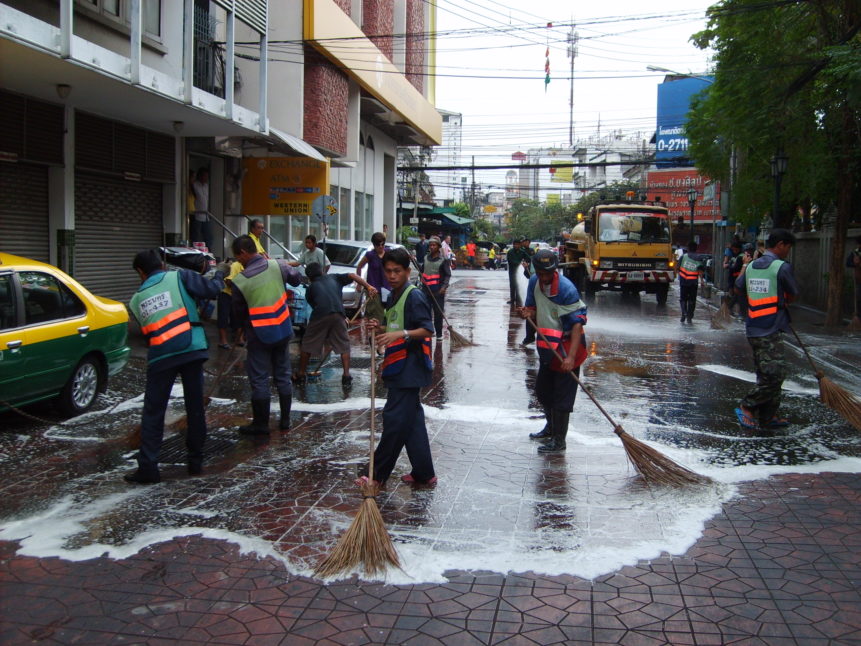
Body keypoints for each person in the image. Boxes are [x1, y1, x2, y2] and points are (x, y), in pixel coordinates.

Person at [125, 248, 227, 483]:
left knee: (153, 412)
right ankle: (195, 462)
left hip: (161, 357)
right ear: (162, 264)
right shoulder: (179, 277)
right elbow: (212, 290)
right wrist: (220, 273)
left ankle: (148, 468)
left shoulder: (136, 299)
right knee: (194, 408)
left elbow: (145, 333)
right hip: (191, 349)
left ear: (140, 272)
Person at [356, 247, 436, 487]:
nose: (392, 275)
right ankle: (424, 473)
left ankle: (376, 475)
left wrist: (400, 334)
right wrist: (379, 328)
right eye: (388, 271)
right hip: (398, 366)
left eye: (397, 271)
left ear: (407, 271)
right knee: (412, 423)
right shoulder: (393, 295)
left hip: (410, 369)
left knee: (394, 422)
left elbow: (427, 329)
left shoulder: (414, 296)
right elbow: (395, 325)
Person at [230, 235, 302, 435]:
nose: (238, 262)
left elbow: (238, 312)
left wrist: (242, 329)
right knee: (283, 375)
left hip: (259, 335)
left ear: (244, 253)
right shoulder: (277, 265)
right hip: (282, 329)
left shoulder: (240, 281)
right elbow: (296, 278)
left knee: (260, 378)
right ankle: (285, 421)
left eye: (238, 258)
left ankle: (261, 425)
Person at [517, 249, 588, 453]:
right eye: (540, 273)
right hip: (548, 347)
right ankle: (550, 428)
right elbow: (533, 309)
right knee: (543, 391)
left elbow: (576, 325)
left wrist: (571, 358)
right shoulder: (533, 282)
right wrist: (526, 313)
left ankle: (559, 440)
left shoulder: (567, 289)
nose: (544, 278)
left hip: (568, 347)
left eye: (547, 274)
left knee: (562, 397)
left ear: (555, 271)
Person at [734, 229, 799, 431]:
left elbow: (738, 287)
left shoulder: (752, 266)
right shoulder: (781, 267)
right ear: (780, 245)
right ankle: (747, 405)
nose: (788, 251)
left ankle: (768, 416)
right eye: (788, 247)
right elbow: (794, 294)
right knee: (775, 375)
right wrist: (781, 302)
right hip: (771, 327)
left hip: (754, 325)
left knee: (766, 374)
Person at [295, 262, 376, 385]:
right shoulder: (334, 277)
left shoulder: (311, 287)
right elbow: (353, 275)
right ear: (323, 271)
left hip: (321, 314)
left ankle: (301, 374)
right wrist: (368, 286)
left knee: (308, 344)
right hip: (339, 314)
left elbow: (314, 305)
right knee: (344, 344)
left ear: (309, 278)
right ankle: (346, 375)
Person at [420, 236, 452, 339]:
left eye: (434, 245)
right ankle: (428, 331)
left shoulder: (443, 260)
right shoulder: (425, 258)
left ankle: (439, 334)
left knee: (438, 313)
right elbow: (422, 271)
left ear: (438, 247)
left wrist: (444, 287)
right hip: (426, 290)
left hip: (438, 291)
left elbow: (447, 275)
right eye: (430, 245)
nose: (432, 247)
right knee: (425, 312)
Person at [675, 241, 706, 323]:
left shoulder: (683, 257)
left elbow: (677, 268)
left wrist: (680, 275)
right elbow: (700, 271)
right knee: (692, 300)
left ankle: (684, 313)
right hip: (693, 282)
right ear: (696, 249)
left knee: (683, 299)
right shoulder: (699, 258)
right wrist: (702, 281)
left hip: (684, 281)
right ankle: (689, 317)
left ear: (688, 248)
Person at [217, 258, 244, 349]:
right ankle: (222, 341)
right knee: (223, 317)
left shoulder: (248, 266)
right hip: (226, 293)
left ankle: (239, 339)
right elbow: (228, 282)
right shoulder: (236, 265)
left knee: (239, 317)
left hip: (238, 294)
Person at [355, 231, 390, 299]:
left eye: (382, 244)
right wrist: (359, 283)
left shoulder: (389, 253)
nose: (381, 246)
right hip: (373, 289)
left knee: (387, 309)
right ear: (374, 245)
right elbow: (359, 267)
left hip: (387, 289)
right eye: (378, 245)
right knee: (374, 309)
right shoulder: (370, 255)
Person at [190, 168, 213, 252]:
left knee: (209, 237)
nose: (205, 178)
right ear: (200, 176)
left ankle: (209, 254)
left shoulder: (207, 186)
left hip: (206, 215)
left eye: (207, 176)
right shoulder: (195, 185)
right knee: (196, 237)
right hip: (197, 214)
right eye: (204, 176)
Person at [520, 238, 537, 345]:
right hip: (535, 291)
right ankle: (530, 337)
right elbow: (527, 274)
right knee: (530, 312)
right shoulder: (534, 279)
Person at [506, 238, 522, 305]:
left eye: (518, 244)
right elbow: (511, 261)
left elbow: (528, 258)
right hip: (512, 271)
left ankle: (518, 299)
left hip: (520, 272)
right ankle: (512, 299)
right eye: (515, 244)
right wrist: (520, 263)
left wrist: (525, 263)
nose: (516, 246)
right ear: (513, 245)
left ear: (520, 245)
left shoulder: (522, 252)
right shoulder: (510, 252)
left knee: (519, 285)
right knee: (512, 285)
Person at [851, 234, 861, 327]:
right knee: (859, 298)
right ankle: (858, 317)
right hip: (859, 279)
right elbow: (848, 263)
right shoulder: (856, 252)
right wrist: (854, 263)